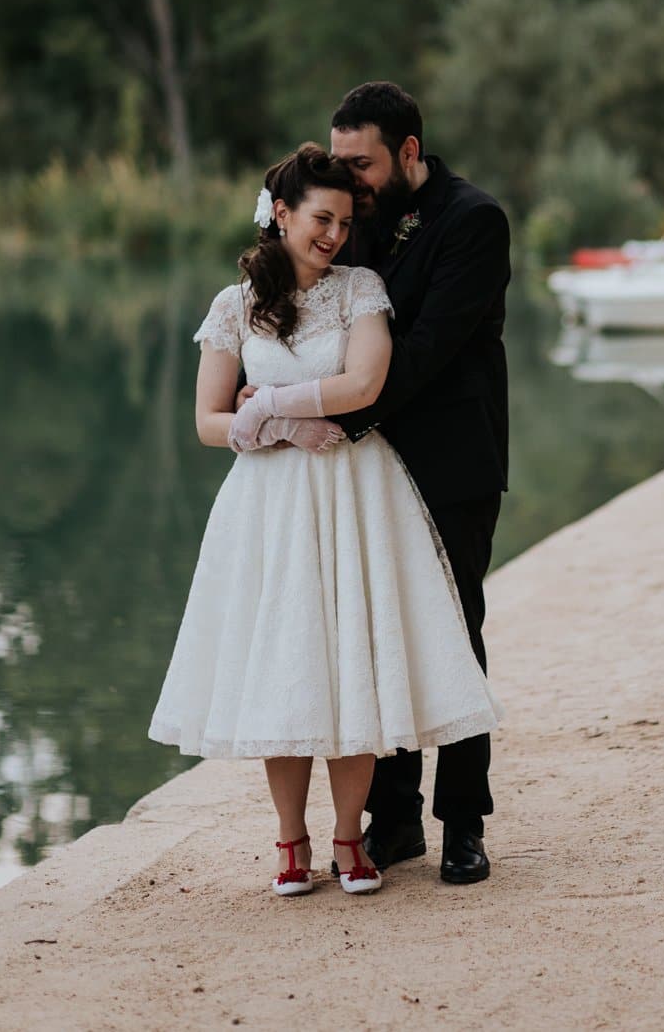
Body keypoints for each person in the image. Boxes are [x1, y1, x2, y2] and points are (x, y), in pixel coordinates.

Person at [148, 142, 501, 899]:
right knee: (287, 662)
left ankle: (352, 839)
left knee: (354, 657)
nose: (334, 234)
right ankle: (290, 842)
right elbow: (209, 420)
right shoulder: (233, 304)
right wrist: (270, 431)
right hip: (270, 505)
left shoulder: (360, 289)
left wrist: (273, 401)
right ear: (281, 214)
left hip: (354, 491)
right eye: (320, 218)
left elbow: (364, 379)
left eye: (343, 221)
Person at [325, 81, 510, 886]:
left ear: (408, 153)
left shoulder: (474, 221)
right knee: (374, 631)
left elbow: (430, 347)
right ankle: (393, 818)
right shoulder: (347, 224)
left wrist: (336, 414)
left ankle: (463, 823)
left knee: (454, 631)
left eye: (359, 163)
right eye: (337, 163)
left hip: (449, 458)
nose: (347, 179)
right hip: (366, 465)